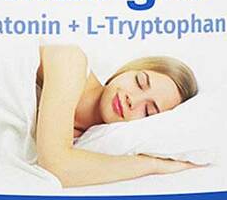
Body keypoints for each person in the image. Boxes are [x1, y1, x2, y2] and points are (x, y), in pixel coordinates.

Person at [35, 44, 198, 187]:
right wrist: (152, 165)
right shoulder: (70, 59)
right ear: (127, 71)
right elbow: (56, 166)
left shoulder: (86, 142)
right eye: (140, 82)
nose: (132, 100)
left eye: (148, 111)